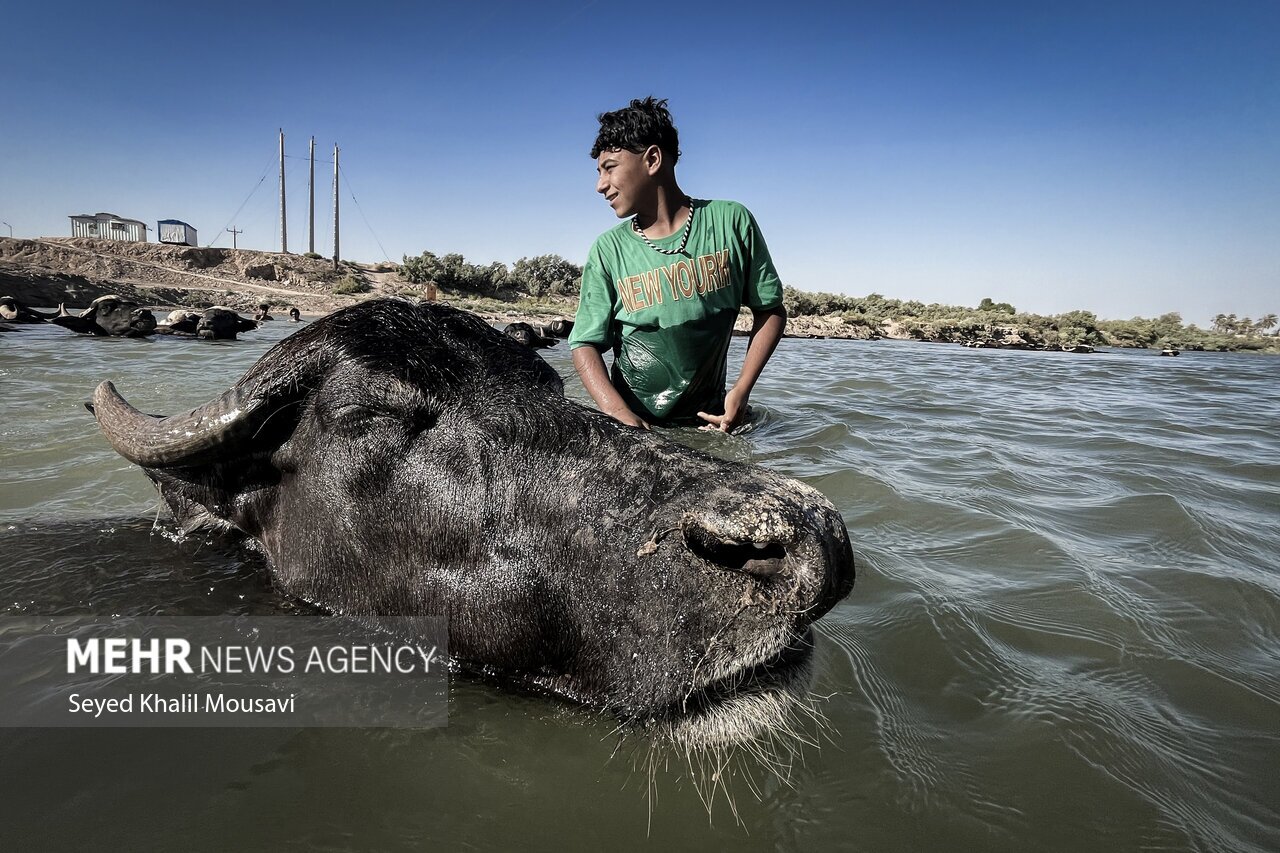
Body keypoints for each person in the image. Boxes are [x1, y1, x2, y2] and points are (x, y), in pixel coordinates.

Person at [569, 97, 787, 432]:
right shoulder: (608, 250)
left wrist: (742, 390)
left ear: (652, 159)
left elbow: (770, 310)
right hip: (639, 427)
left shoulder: (731, 222)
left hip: (710, 423)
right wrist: (615, 412)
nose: (600, 185)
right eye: (599, 172)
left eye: (609, 167)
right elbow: (584, 343)